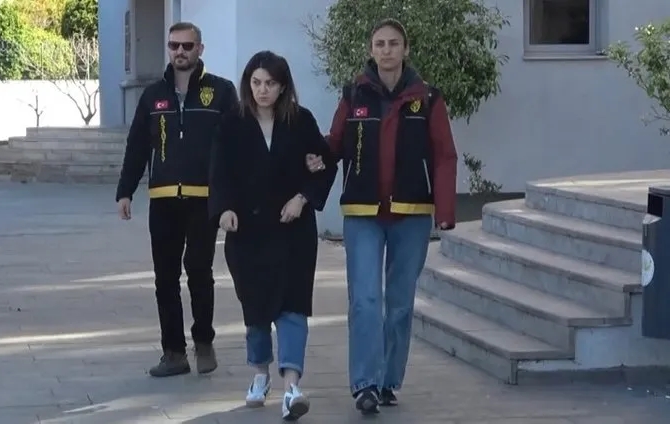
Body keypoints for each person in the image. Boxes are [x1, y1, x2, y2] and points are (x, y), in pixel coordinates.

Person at [307, 18, 458, 414]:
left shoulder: (428, 98)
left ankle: (389, 380)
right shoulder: (353, 93)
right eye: (380, 44)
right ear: (371, 50)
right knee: (365, 300)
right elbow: (335, 143)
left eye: (393, 43)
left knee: (400, 304)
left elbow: (444, 155)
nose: (387, 50)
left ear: (405, 49)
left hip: (412, 213)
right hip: (363, 213)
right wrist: (316, 157)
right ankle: (365, 384)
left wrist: (445, 211)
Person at [208, 50, 337, 420]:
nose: (262, 90)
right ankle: (260, 372)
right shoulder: (232, 123)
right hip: (248, 232)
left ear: (283, 87)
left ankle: (292, 387)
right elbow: (218, 173)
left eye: (270, 83)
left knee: (293, 306)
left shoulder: (301, 120)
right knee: (257, 309)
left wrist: (303, 197)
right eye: (256, 82)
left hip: (293, 231)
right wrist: (224, 209)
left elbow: (323, 164)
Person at [115, 21, 238, 378]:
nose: (180, 52)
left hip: (204, 199)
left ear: (200, 49)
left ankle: (204, 341)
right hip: (164, 199)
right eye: (174, 46)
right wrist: (125, 190)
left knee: (199, 271)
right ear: (168, 49)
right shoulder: (153, 95)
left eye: (187, 45)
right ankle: (173, 352)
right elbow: (137, 145)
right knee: (165, 278)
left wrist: (233, 194)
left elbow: (236, 144)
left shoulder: (221, 92)